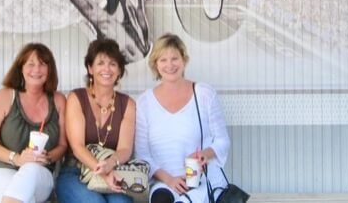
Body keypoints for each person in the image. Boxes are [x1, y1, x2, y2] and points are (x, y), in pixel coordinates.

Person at [134, 34, 230, 203]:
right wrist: (169, 179)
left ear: (184, 60)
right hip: (164, 182)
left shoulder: (204, 94)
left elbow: (222, 140)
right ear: (155, 64)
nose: (169, 65)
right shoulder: (144, 103)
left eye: (174, 58)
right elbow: (143, 155)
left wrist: (205, 155)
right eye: (163, 60)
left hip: (199, 181)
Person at [0, 43, 67, 203]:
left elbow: (63, 146)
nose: (36, 69)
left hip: (39, 173)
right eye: (31, 64)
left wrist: (47, 157)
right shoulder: (5, 96)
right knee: (22, 196)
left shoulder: (59, 100)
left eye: (42, 64)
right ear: (21, 68)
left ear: (50, 70)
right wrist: (17, 158)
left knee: (30, 171)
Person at [56, 38, 136, 203]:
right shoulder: (76, 97)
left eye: (113, 64)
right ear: (90, 68)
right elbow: (77, 147)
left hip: (113, 169)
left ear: (119, 70)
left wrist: (110, 165)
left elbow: (125, 149)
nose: (107, 69)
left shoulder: (128, 103)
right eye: (100, 63)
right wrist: (103, 172)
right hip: (75, 172)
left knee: (121, 202)